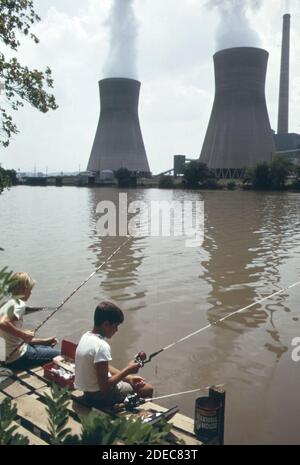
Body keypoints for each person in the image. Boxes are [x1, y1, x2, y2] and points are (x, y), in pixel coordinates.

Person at [75, 301, 153, 407]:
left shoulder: (86, 337)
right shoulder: (102, 346)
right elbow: (104, 387)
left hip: (88, 392)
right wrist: (128, 370)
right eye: (115, 326)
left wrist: (129, 378)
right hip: (101, 397)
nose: (116, 330)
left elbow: (103, 367)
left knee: (131, 382)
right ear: (106, 324)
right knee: (147, 389)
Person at [0, 272, 60, 370]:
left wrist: (45, 341)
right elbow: (2, 323)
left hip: (4, 358)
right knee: (59, 354)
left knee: (47, 348)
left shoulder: (5, 304)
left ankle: (44, 344)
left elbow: (12, 338)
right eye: (30, 290)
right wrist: (24, 335)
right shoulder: (19, 304)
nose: (31, 293)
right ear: (24, 289)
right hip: (16, 360)